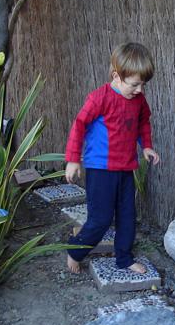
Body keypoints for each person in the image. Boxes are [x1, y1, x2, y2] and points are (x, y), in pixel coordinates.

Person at [65, 42, 160, 274]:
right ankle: (75, 251)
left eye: (143, 84)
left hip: (126, 168)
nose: (139, 89)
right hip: (101, 169)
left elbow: (142, 122)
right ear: (117, 76)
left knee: (127, 216)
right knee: (101, 219)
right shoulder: (100, 98)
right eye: (135, 84)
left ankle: (124, 258)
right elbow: (79, 125)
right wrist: (73, 159)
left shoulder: (138, 100)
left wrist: (146, 146)